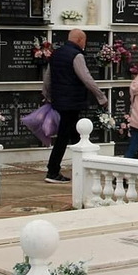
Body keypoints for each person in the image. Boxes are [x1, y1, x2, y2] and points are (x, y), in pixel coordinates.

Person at [43, 28, 107, 183]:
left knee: (75, 135)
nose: (85, 43)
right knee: (64, 137)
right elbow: (86, 78)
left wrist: (48, 96)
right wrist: (101, 97)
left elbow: (47, 78)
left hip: (60, 101)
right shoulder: (76, 55)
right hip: (71, 102)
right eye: (84, 40)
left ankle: (84, 166)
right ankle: (52, 171)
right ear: (80, 40)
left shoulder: (56, 53)